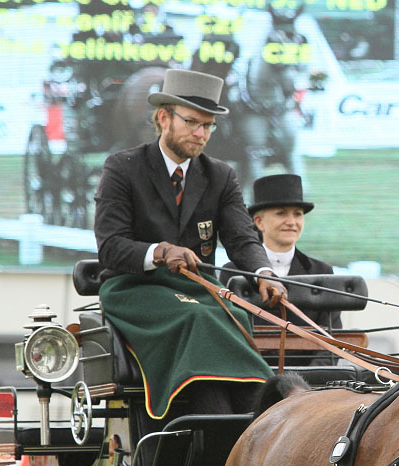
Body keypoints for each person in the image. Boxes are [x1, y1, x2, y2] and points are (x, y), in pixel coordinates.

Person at [93, 68, 286, 427]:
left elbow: (243, 238)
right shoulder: (122, 168)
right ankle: (219, 421)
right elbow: (111, 247)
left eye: (208, 126)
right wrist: (160, 251)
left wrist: (265, 273)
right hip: (133, 288)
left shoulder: (220, 175)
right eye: (193, 123)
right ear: (163, 118)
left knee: (238, 314)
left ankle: (251, 418)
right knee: (198, 316)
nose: (201, 134)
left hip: (196, 291)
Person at [221, 174, 340, 366]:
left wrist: (310, 383)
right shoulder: (232, 272)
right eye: (281, 213)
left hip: (310, 386)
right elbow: (228, 336)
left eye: (297, 214)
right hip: (252, 379)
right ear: (259, 222)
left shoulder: (322, 270)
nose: (292, 222)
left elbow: (332, 339)